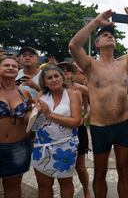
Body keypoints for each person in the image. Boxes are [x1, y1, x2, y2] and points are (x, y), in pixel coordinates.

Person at [69, 8, 128, 197]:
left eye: (111, 35)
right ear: (97, 44)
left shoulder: (124, 62)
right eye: (105, 35)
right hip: (100, 127)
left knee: (123, 170)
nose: (110, 37)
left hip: (122, 124)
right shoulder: (90, 64)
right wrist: (97, 22)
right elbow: (73, 45)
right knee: (99, 172)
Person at [31, 65, 82, 197]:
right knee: (43, 185)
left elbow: (76, 122)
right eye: (49, 78)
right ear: (45, 82)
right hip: (41, 146)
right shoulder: (41, 95)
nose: (54, 80)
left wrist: (50, 114)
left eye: (56, 76)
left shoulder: (73, 94)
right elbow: (33, 120)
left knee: (65, 183)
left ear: (62, 77)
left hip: (65, 146)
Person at [0, 56, 33, 198]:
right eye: (6, 65)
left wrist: (35, 112)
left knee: (13, 186)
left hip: (19, 147)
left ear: (18, 70)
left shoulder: (24, 93)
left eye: (14, 66)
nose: (10, 67)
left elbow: (28, 120)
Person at [57, 61, 90, 198]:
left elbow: (91, 102)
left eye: (68, 69)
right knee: (61, 166)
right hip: (61, 130)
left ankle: (86, 190)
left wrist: (87, 114)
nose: (65, 71)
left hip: (78, 129)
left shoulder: (81, 89)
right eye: (62, 69)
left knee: (80, 167)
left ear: (72, 72)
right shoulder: (56, 89)